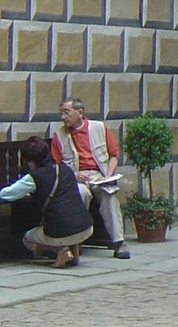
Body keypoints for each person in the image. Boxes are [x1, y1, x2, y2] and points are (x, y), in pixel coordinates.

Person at [0, 136, 94, 268]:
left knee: (27, 239)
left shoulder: (35, 176)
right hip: (86, 227)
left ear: (31, 161)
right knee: (66, 219)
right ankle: (74, 252)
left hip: (61, 232)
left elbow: (8, 194)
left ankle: (61, 250)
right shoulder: (66, 169)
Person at [52, 99, 131, 259]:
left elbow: (114, 156)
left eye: (66, 112)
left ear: (80, 113)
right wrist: (74, 175)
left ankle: (119, 243)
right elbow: (56, 165)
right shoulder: (59, 136)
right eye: (61, 113)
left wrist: (108, 176)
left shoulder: (99, 128)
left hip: (99, 175)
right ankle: (76, 241)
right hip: (76, 177)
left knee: (109, 195)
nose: (63, 117)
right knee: (79, 194)